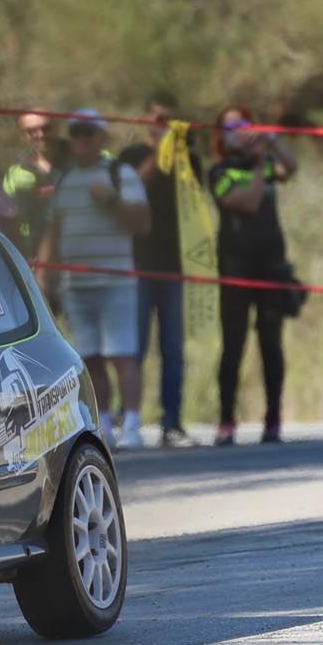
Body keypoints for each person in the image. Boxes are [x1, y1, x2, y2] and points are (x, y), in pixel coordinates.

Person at [36, 108, 149, 451]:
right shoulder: (66, 179)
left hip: (116, 282)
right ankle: (105, 424)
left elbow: (143, 223)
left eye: (88, 133)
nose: (81, 140)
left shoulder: (120, 174)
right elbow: (54, 231)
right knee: (91, 358)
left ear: (102, 138)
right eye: (76, 133)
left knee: (122, 355)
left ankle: (132, 421)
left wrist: (112, 200)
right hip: (75, 285)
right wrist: (42, 274)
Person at [209, 105, 297, 445]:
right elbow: (245, 203)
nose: (238, 131)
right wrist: (261, 165)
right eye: (230, 127)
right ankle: (226, 420)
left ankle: (273, 419)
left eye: (243, 124)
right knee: (233, 345)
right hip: (235, 269)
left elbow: (293, 167)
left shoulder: (267, 163)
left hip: (271, 266)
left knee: (271, 344)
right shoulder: (220, 171)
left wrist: (272, 144)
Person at [125, 95, 197, 447]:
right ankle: (130, 424)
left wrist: (178, 154)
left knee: (173, 349)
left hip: (174, 267)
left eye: (169, 121)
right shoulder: (132, 158)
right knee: (134, 349)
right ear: (145, 122)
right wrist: (159, 151)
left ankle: (172, 422)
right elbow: (137, 185)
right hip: (137, 268)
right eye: (157, 120)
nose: (163, 127)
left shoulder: (188, 160)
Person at [2, 110, 60, 251]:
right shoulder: (15, 174)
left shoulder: (78, 164)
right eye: (31, 131)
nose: (40, 135)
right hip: (35, 255)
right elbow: (9, 219)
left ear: (56, 129)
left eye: (46, 128)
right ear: (23, 136)